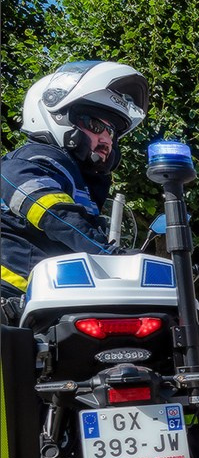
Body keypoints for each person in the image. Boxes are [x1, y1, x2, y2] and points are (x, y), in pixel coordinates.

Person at [2, 61, 148, 303]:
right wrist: (109, 254)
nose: (106, 139)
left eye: (110, 132)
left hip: (54, 299)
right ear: (57, 117)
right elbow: (56, 216)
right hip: (10, 299)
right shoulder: (26, 164)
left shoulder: (77, 179)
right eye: (95, 125)